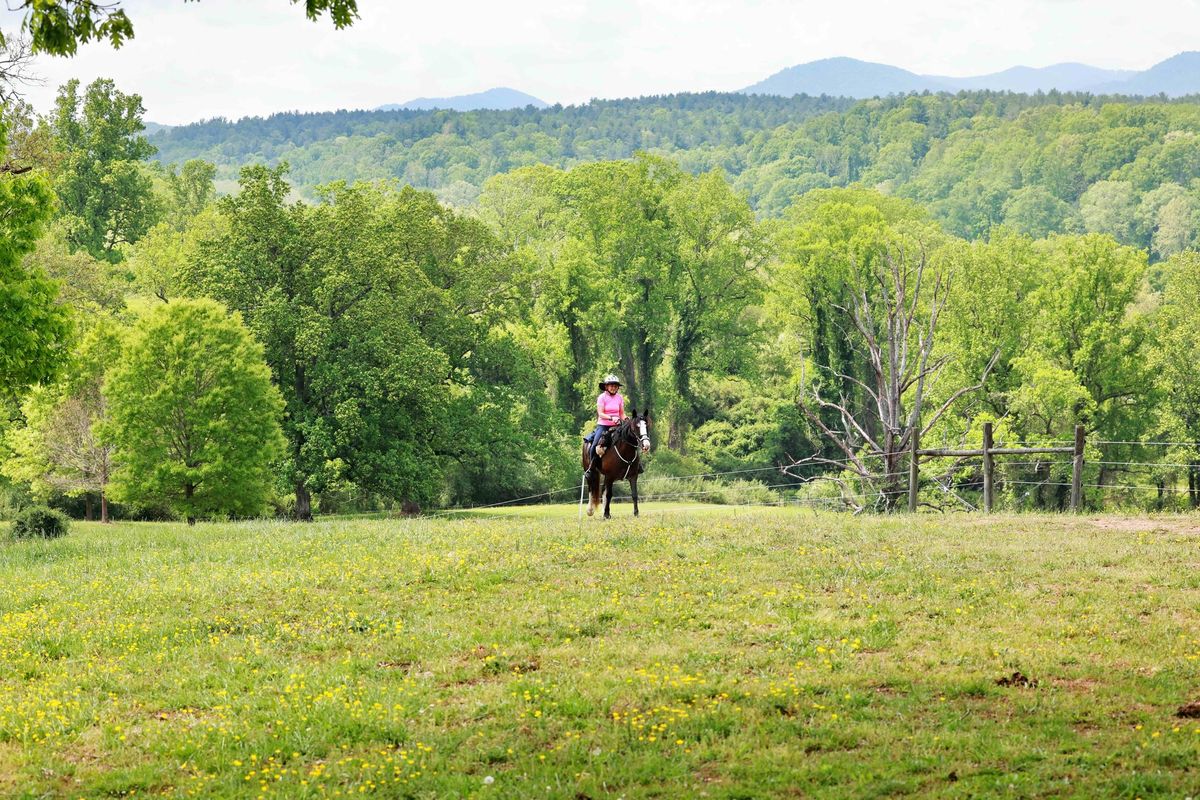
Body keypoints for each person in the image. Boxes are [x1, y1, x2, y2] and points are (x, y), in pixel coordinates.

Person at [583, 374, 625, 481]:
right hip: (604, 425)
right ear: (606, 386)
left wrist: (627, 419)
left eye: (615, 386)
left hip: (617, 425)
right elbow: (600, 413)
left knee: (630, 438)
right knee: (594, 446)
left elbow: (622, 414)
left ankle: (635, 466)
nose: (613, 387)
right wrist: (611, 418)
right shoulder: (602, 397)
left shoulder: (620, 398)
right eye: (611, 385)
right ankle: (591, 469)